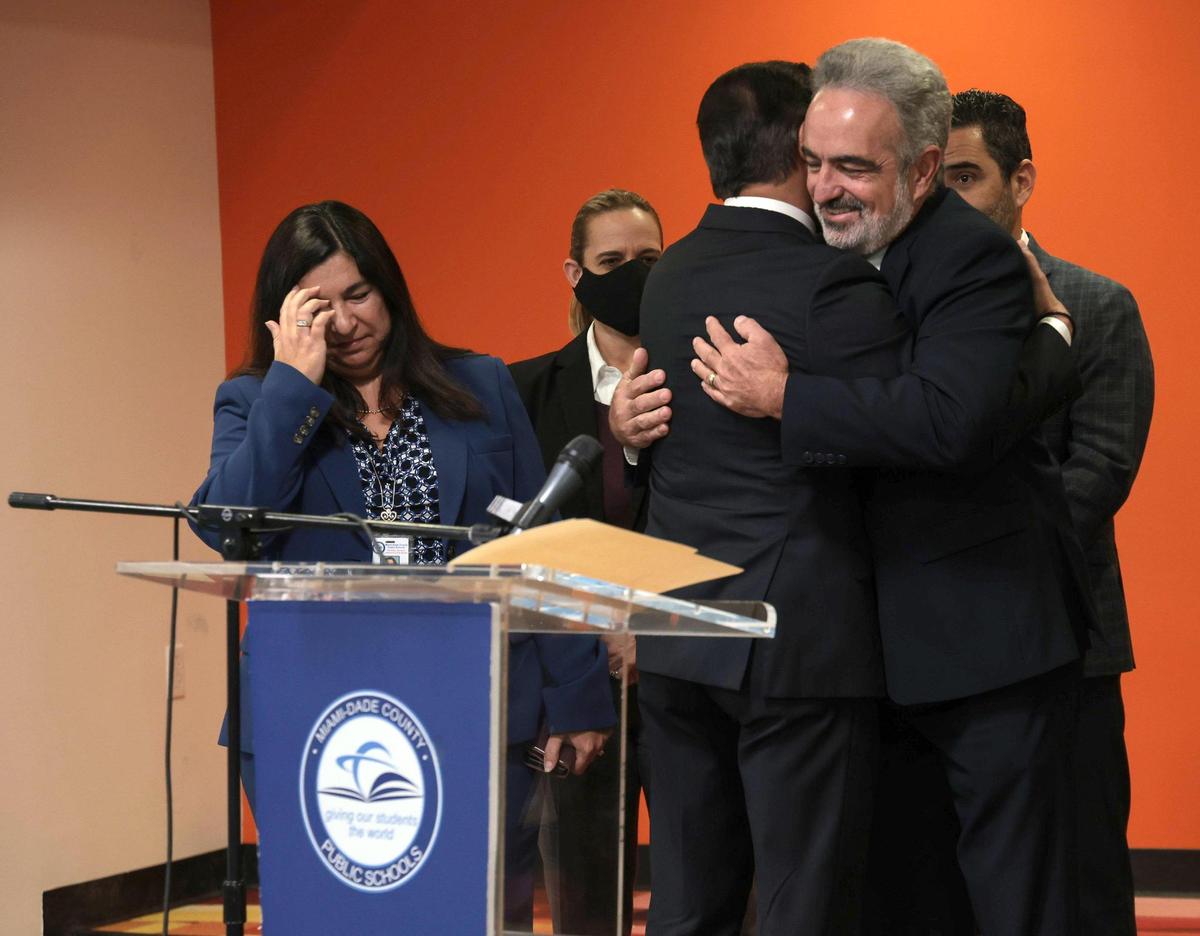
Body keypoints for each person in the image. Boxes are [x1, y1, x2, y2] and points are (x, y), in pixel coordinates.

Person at [617, 39, 1096, 936]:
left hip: (979, 640)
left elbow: (951, 418)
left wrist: (789, 396)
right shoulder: (823, 260)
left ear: (922, 170)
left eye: (853, 168)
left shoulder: (970, 258)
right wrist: (631, 426)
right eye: (813, 163)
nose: (828, 187)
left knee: (1011, 901)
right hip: (855, 648)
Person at [189, 200, 614, 929]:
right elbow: (231, 529)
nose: (348, 322)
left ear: (390, 290)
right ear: (286, 315)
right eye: (321, 306)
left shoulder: (479, 385)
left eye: (360, 295)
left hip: (475, 710)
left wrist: (576, 692)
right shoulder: (258, 402)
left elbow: (543, 543)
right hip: (316, 722)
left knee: (479, 914)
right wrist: (293, 384)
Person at [630, 62, 911, 936]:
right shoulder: (835, 282)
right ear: (803, 149)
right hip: (797, 640)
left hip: (676, 627)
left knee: (686, 900)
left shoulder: (666, 276)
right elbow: (896, 442)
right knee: (805, 903)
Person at [942, 88, 1153, 936]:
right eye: (935, 177)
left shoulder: (1097, 307)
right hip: (927, 656)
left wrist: (951, 541)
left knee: (1081, 888)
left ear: (1021, 179)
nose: (946, 199)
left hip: (1069, 649)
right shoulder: (893, 309)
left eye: (967, 176)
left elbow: (1098, 473)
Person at [508, 188, 660, 935]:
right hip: (577, 684)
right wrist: (593, 634)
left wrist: (650, 629)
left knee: (715, 883)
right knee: (583, 900)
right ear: (575, 273)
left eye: (650, 260)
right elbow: (519, 545)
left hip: (688, 678)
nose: (632, 273)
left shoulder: (715, 378)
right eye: (612, 261)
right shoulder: (523, 391)